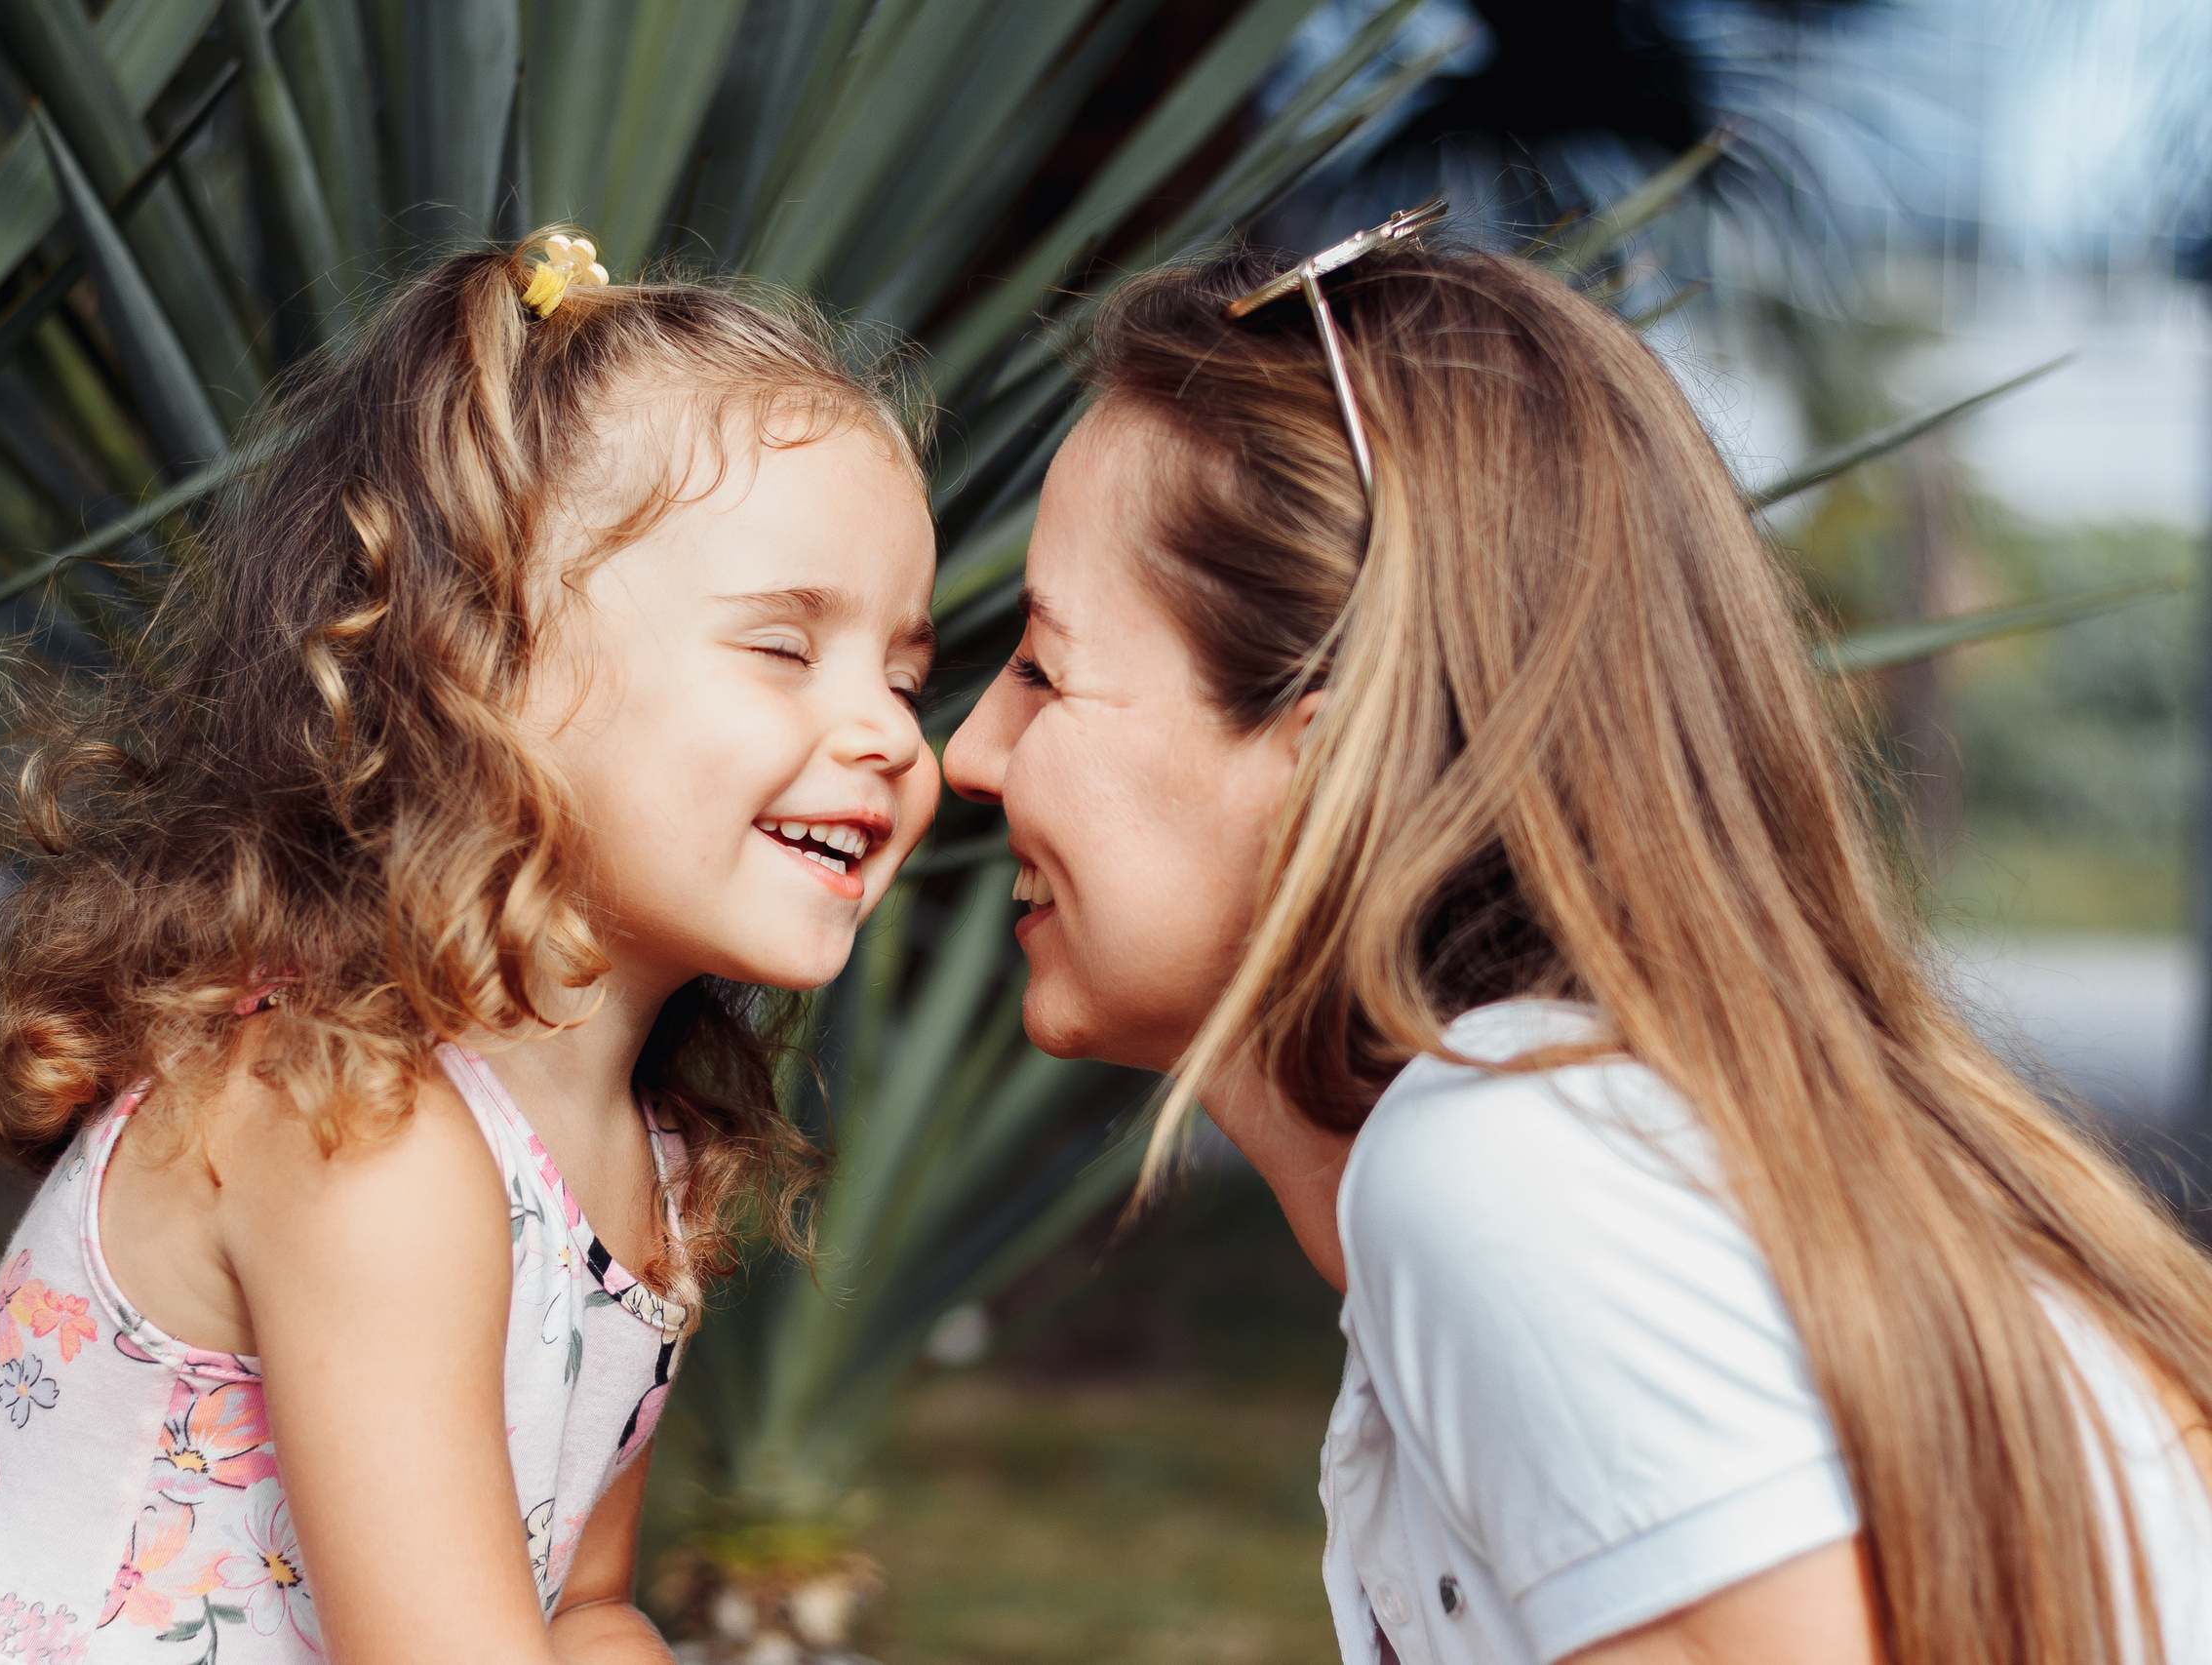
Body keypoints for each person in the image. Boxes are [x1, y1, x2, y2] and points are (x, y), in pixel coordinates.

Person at [945, 223, 2212, 1665]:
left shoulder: (1509, 1159)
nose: (969, 753)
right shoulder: (1596, 1136)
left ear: (1324, 755)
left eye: (1045, 669)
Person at [0, 229, 939, 1665]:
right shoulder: (355, 1120)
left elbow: (577, 1608)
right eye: (784, 648)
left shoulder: (651, 1160)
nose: (890, 734)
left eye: (906, 673)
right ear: (485, 662)